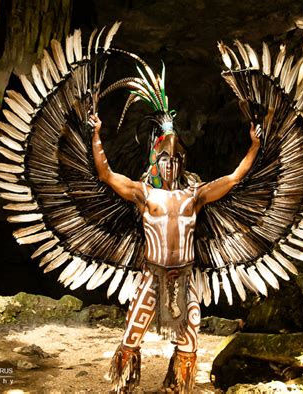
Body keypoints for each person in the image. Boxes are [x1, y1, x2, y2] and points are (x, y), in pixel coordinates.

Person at [89, 113, 261, 393]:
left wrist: (254, 146)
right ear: (157, 162)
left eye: (177, 160)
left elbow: (233, 178)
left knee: (190, 336)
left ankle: (176, 387)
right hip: (152, 277)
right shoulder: (143, 193)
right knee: (132, 335)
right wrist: (97, 134)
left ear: (182, 164)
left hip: (184, 278)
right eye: (166, 160)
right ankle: (123, 386)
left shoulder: (195, 196)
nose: (171, 165)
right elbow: (105, 174)